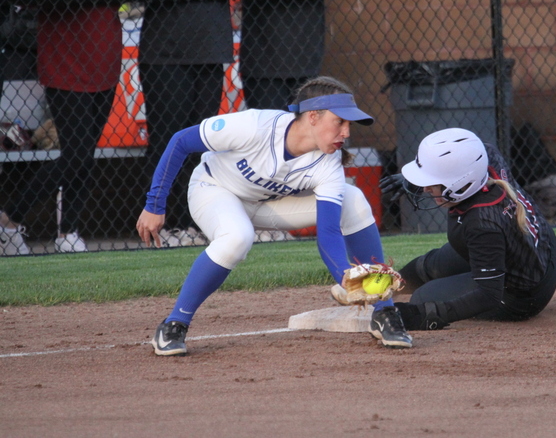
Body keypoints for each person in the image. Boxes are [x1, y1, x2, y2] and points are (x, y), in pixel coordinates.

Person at [137, 76, 413, 355]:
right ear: (313, 116)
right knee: (237, 237)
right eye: (339, 121)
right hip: (214, 190)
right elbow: (181, 141)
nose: (346, 132)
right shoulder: (255, 126)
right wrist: (154, 205)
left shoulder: (328, 163)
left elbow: (328, 232)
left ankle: (384, 312)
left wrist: (344, 276)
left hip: (269, 204)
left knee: (352, 199)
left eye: (349, 124)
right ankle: (175, 323)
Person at [0, 0, 146, 255]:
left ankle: (68, 232)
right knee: (77, 154)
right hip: (65, 68)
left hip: (105, 69)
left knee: (84, 155)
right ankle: (9, 218)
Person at [137, 0, 259, 248]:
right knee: (167, 140)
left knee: (202, 143)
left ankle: (193, 222)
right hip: (166, 59)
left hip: (209, 57)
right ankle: (162, 222)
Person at [385, 128, 556, 331]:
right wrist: (418, 178)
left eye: (431, 182)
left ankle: (407, 296)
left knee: (423, 297)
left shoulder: (482, 223)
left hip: (523, 295)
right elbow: (462, 159)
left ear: (459, 184)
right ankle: (386, 287)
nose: (425, 189)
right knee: (433, 265)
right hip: (540, 245)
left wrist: (427, 315)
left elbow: (488, 294)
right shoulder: (486, 159)